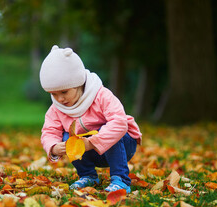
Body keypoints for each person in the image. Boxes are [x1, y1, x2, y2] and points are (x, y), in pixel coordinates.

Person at [39, 45, 142, 193]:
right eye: (53, 94)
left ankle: (121, 179)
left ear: (78, 83)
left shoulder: (101, 96)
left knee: (110, 130)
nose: (60, 99)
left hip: (123, 145)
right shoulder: (56, 108)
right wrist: (53, 147)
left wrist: (93, 142)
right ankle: (87, 175)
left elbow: (119, 123)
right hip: (90, 151)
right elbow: (49, 130)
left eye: (64, 92)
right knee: (68, 137)